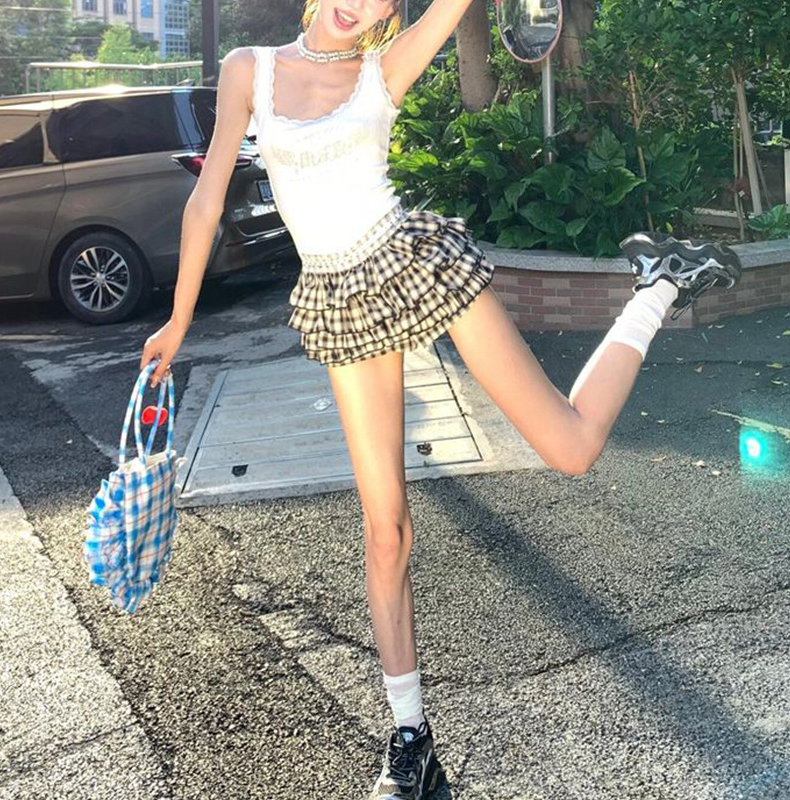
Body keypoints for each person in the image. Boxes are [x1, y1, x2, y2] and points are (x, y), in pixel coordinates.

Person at [139, 0, 741, 797]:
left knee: (571, 448)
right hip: (339, 299)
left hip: (413, 262)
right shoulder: (249, 69)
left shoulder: (382, 71)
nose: (361, 5)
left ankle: (657, 285)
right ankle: (410, 739)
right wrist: (179, 319)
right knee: (385, 532)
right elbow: (206, 199)